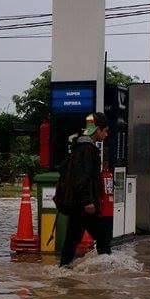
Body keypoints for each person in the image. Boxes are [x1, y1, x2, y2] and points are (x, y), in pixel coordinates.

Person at [54, 113, 112, 267]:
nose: (106, 135)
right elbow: (83, 177)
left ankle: (63, 269)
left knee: (72, 237)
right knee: (103, 235)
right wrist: (88, 201)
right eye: (105, 131)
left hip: (76, 203)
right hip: (83, 204)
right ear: (97, 130)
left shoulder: (79, 148)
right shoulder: (87, 150)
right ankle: (105, 269)